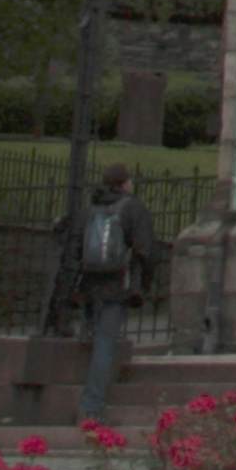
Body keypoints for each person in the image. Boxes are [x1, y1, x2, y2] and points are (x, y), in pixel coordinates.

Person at [74, 163, 162, 418]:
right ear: (125, 183)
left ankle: (88, 391)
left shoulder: (90, 209)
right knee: (104, 343)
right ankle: (91, 407)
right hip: (117, 283)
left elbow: (76, 248)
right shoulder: (133, 208)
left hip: (90, 283)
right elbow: (146, 251)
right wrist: (141, 286)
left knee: (94, 338)